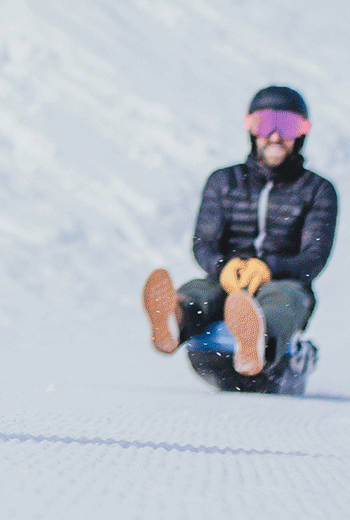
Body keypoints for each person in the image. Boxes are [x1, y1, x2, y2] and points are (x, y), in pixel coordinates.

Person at [141, 85, 338, 380]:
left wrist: (269, 268)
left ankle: (257, 340)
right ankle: (175, 319)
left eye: (286, 126)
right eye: (264, 124)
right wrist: (222, 268)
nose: (274, 136)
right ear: (251, 129)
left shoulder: (317, 191)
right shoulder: (224, 182)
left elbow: (314, 257)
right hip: (227, 281)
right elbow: (203, 243)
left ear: (302, 132)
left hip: (284, 282)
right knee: (201, 291)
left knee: (283, 298)